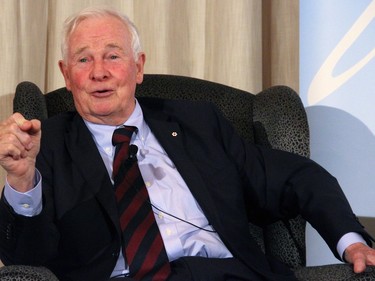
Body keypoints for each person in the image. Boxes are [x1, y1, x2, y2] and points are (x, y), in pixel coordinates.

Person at [0, 6, 374, 281]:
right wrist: (21, 183)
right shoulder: (44, 145)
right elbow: (25, 259)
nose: (99, 72)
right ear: (67, 74)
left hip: (227, 276)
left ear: (138, 67)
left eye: (113, 56)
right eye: (84, 59)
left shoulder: (198, 124)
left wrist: (350, 241)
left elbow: (297, 177)